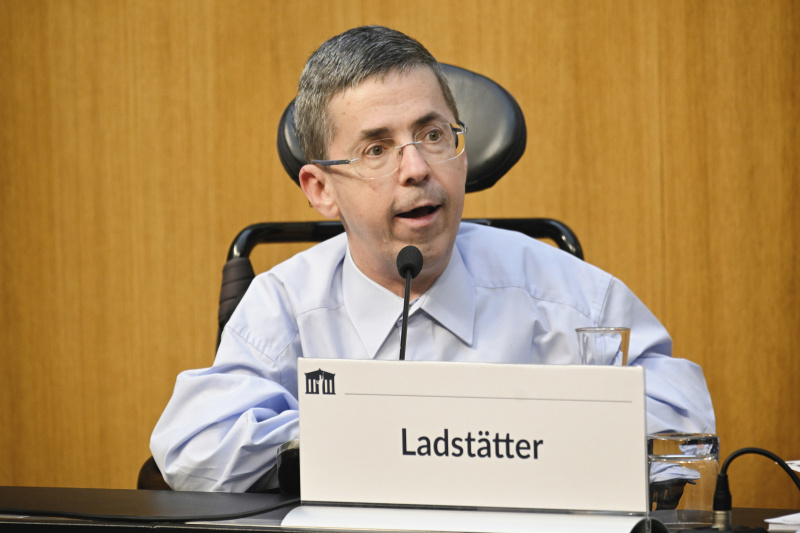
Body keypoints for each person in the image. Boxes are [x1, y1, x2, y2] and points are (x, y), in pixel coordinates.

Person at [150, 25, 715, 492]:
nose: (417, 167)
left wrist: (527, 431)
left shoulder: (564, 292)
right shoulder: (285, 302)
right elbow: (192, 450)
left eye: (433, 135)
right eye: (376, 149)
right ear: (321, 189)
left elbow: (687, 429)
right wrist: (360, 432)